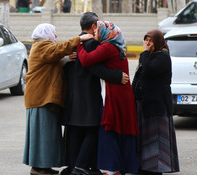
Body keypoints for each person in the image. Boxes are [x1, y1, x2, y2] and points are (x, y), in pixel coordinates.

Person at [60, 12, 128, 175]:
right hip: (88, 96)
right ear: (92, 26)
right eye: (98, 25)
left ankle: (73, 166)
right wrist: (117, 76)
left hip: (73, 96)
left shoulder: (75, 41)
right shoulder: (90, 43)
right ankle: (81, 166)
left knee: (75, 130)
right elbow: (93, 66)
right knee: (93, 130)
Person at [23, 23, 93, 175]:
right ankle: (39, 168)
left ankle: (43, 166)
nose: (55, 36)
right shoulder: (42, 46)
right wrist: (79, 39)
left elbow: (51, 61)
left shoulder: (41, 48)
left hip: (42, 97)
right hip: (41, 98)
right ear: (46, 34)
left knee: (45, 135)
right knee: (43, 135)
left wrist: (66, 59)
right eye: (53, 33)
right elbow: (57, 49)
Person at [77, 21, 139, 175]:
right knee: (122, 130)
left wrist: (79, 44)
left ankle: (112, 169)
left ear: (106, 33)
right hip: (122, 93)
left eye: (98, 31)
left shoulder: (107, 47)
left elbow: (86, 60)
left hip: (114, 94)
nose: (95, 34)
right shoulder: (117, 45)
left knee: (109, 129)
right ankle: (125, 167)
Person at [132, 29, 180, 175]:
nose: (147, 43)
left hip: (156, 105)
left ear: (157, 42)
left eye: (150, 40)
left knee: (156, 137)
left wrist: (145, 53)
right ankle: (145, 166)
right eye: (145, 40)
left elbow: (148, 70)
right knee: (145, 137)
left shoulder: (162, 56)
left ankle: (156, 168)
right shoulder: (151, 55)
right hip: (146, 103)